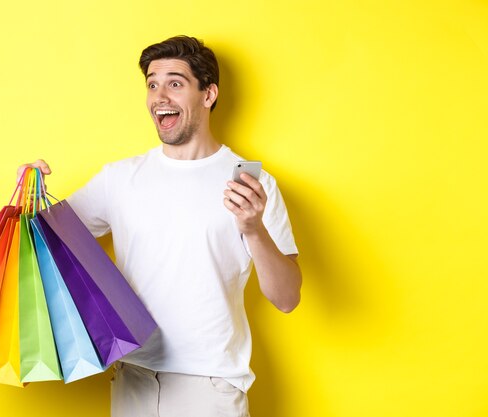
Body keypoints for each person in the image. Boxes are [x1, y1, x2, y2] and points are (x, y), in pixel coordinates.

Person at [19, 35, 301, 417]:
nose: (159, 96)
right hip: (133, 378)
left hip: (211, 386)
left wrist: (253, 228)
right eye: (152, 84)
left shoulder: (254, 186)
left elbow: (286, 298)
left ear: (208, 94)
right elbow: (44, 242)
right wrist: (31, 193)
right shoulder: (119, 179)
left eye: (175, 83)